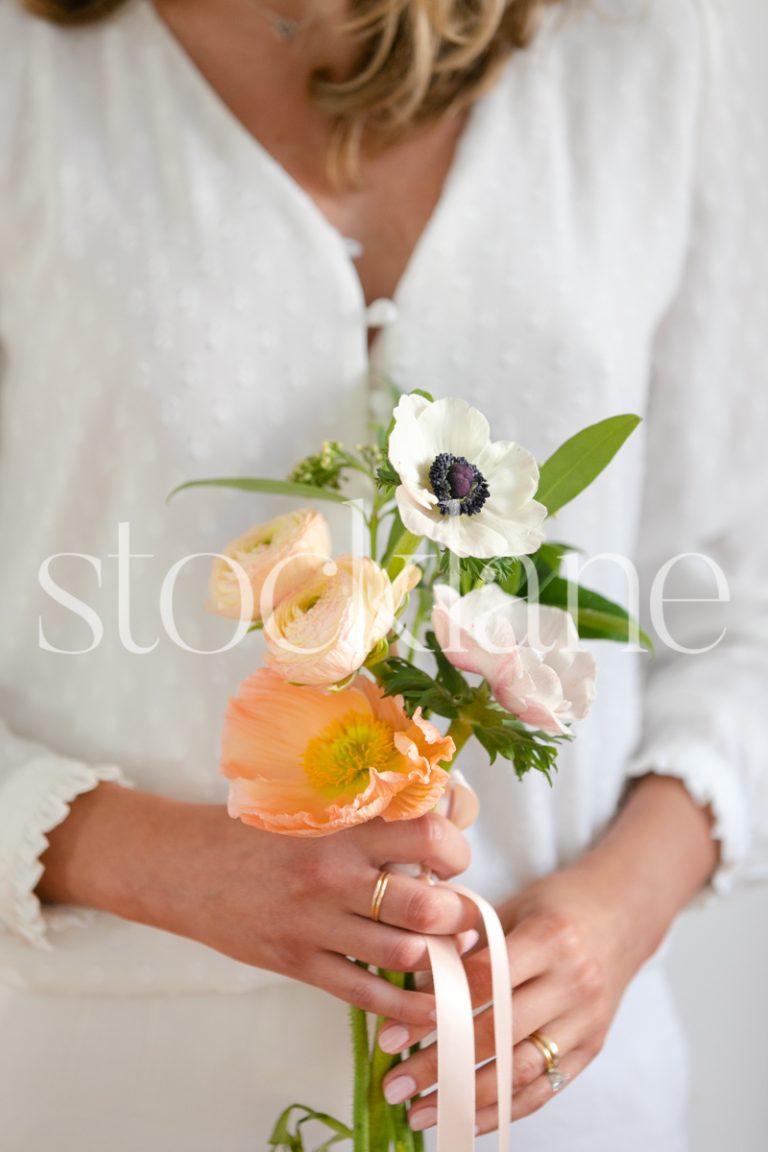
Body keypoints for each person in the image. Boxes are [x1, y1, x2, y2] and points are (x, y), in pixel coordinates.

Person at [0, 0, 766, 1148]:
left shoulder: (656, 43)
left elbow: (737, 604)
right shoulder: (30, 66)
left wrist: (616, 912)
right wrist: (156, 860)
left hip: (559, 1111)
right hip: (115, 1087)